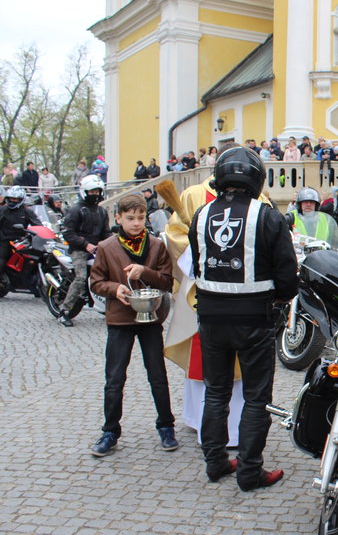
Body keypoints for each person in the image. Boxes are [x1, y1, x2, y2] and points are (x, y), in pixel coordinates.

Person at [188, 146, 298, 491]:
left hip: (210, 318)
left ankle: (216, 463)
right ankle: (250, 470)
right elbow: (288, 277)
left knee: (216, 392)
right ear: (256, 178)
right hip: (255, 319)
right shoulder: (267, 216)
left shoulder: (201, 215)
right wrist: (280, 299)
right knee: (255, 397)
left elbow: (196, 264)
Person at [87, 194, 177, 457]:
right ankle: (110, 431)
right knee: (114, 379)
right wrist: (115, 289)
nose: (136, 223)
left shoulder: (157, 245)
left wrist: (144, 272)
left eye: (140, 218)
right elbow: (96, 282)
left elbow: (167, 281)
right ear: (118, 219)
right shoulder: (106, 247)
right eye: (130, 218)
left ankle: (166, 425)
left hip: (150, 320)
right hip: (120, 319)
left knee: (157, 375)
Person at [58, 176, 112, 326]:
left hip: (97, 249)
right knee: (80, 278)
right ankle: (65, 312)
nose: (96, 194)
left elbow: (106, 232)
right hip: (79, 250)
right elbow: (67, 232)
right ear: (85, 192)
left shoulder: (102, 211)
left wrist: (112, 241)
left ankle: (108, 306)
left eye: (98, 191)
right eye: (92, 191)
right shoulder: (75, 210)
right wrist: (85, 244)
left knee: (113, 271)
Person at [0, 187, 42, 282]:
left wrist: (43, 232)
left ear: (21, 199)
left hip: (22, 241)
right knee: (1, 259)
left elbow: (38, 224)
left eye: (15, 199)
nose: (12, 201)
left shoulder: (27, 211)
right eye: (11, 198)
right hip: (5, 240)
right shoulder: (2, 210)